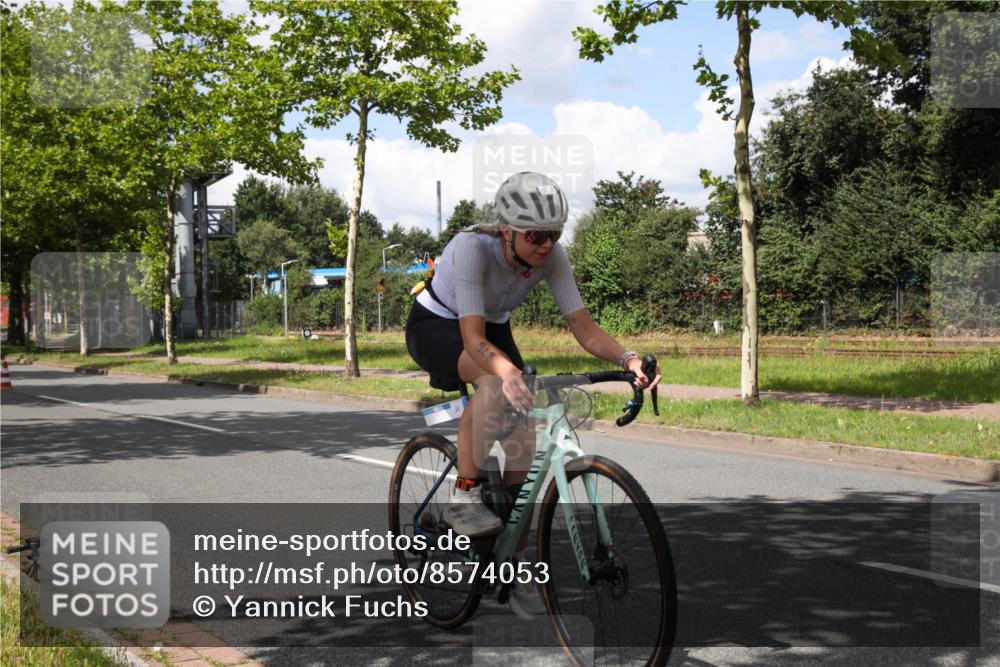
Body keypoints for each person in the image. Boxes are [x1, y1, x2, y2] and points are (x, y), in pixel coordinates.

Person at [405, 172, 661, 618]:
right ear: (507, 230)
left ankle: (511, 564)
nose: (546, 245)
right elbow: (472, 340)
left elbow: (581, 324)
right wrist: (505, 371)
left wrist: (629, 360)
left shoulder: (551, 256)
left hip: (493, 325)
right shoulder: (472, 248)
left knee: (522, 436)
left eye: (555, 235)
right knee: (493, 382)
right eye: (536, 236)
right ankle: (463, 494)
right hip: (440, 324)